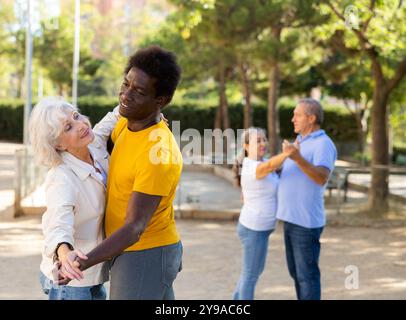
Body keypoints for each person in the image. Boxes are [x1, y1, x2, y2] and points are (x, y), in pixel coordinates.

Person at [68, 45, 183, 300]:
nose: (125, 95)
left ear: (160, 100)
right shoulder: (126, 124)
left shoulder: (158, 153)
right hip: (129, 249)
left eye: (138, 91)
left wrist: (82, 262)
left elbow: (134, 228)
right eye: (126, 84)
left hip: (144, 252)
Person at [29, 97, 120, 300]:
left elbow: (118, 114)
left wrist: (154, 113)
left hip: (92, 273)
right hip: (71, 279)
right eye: (68, 127)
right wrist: (64, 252)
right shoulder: (61, 178)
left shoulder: (94, 143)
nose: (81, 126)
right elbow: (58, 222)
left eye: (76, 116)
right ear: (57, 145)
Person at [277, 98, 337, 300]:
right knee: (297, 274)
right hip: (290, 219)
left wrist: (296, 158)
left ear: (311, 118)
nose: (292, 119)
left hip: (305, 222)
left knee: (307, 276)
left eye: (297, 115)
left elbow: (321, 177)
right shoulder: (300, 142)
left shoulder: (323, 143)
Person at [232, 127, 293, 300]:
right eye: (257, 141)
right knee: (250, 275)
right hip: (253, 228)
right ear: (245, 146)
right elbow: (270, 165)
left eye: (264, 139)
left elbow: (272, 166)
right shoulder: (252, 166)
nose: (262, 143)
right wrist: (288, 153)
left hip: (261, 228)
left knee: (252, 272)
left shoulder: (262, 163)